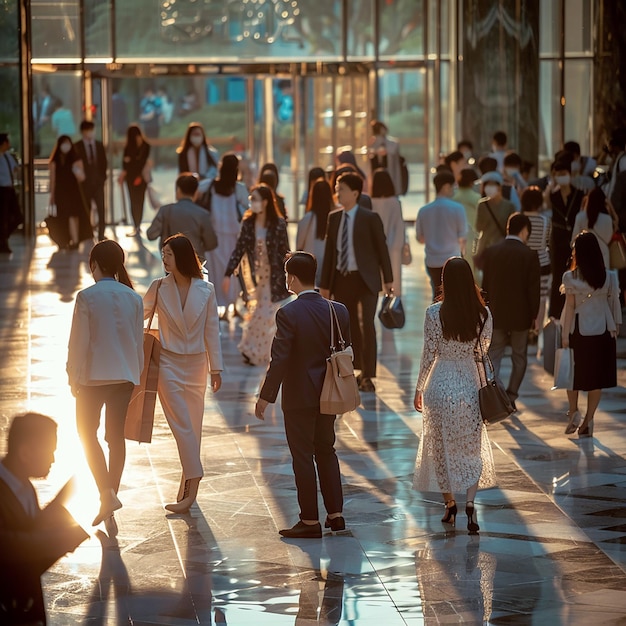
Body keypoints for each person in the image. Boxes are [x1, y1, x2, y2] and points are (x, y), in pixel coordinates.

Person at [255, 252, 349, 538]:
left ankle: (309, 520)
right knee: (326, 450)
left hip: (299, 397)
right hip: (329, 393)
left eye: (286, 275)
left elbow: (280, 359)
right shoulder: (338, 310)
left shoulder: (288, 313)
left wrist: (265, 396)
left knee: (302, 456)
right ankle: (336, 514)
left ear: (292, 278)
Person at [413, 257, 496, 534]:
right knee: (471, 447)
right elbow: (483, 352)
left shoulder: (434, 313)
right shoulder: (483, 315)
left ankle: (450, 503)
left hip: (439, 383)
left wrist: (419, 387)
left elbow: (428, 353)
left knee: (439, 446)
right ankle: (470, 503)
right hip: (469, 385)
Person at [66, 240, 144, 532]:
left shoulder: (86, 297)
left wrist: (73, 375)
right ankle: (110, 497)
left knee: (86, 434)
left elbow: (79, 342)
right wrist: (135, 377)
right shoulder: (133, 298)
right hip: (124, 376)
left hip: (93, 378)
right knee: (115, 438)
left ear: (95, 264)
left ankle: (106, 494)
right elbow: (137, 343)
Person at [143, 234, 223, 512]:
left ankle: (188, 493)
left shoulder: (206, 289)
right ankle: (196, 471)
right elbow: (139, 313)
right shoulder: (158, 287)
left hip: (197, 364)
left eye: (169, 254)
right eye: (163, 254)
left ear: (182, 257)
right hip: (167, 363)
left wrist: (217, 368)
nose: (164, 259)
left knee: (194, 427)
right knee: (182, 425)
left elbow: (212, 329)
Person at [0, 413, 89, 625]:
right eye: (49, 451)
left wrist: (57, 507)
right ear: (25, 452)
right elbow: (10, 549)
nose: (53, 460)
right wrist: (60, 539)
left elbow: (29, 532)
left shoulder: (24, 486)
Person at [320, 172, 393, 393]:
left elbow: (382, 250)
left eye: (341, 189)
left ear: (355, 192)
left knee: (367, 325)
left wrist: (388, 279)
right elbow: (330, 254)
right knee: (346, 327)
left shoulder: (370, 218)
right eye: (336, 189)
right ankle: (351, 369)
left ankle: (368, 375)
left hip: (366, 279)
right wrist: (324, 285)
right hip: (342, 279)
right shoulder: (334, 218)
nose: (337, 193)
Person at [561, 232, 622, 436]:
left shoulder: (570, 277)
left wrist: (564, 336)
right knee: (597, 379)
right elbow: (614, 304)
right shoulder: (610, 277)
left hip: (579, 330)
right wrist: (617, 326)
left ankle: (573, 411)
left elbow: (570, 307)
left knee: (573, 376)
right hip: (604, 330)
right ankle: (588, 421)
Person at [223, 184, 290, 365]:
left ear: (266, 202)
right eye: (251, 199)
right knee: (257, 311)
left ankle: (257, 350)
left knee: (265, 313)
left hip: (273, 277)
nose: (252, 203)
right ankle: (252, 349)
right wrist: (228, 272)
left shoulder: (278, 224)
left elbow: (285, 251)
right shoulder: (249, 223)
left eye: (256, 199)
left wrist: (291, 273)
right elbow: (240, 248)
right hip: (254, 278)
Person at [481, 213, 541, 411]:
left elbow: (485, 286)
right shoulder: (530, 255)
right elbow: (533, 290)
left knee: (494, 354)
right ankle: (511, 395)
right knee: (519, 356)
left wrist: (485, 311)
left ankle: (496, 395)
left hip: (496, 313)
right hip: (520, 316)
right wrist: (534, 316)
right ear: (524, 230)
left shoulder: (491, 252)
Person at [204, 154, 249, 315]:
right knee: (234, 271)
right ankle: (234, 306)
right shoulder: (239, 188)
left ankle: (220, 307)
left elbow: (197, 192)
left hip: (214, 237)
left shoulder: (210, 185)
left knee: (216, 273)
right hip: (233, 236)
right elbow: (248, 208)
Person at [415, 170, 468, 301]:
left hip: (432, 260)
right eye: (452, 186)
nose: (454, 189)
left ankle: (436, 320)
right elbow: (463, 236)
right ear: (446, 186)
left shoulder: (424, 210)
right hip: (452, 259)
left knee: (437, 294)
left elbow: (420, 238)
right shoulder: (457, 208)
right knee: (453, 295)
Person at [147, 173, 217, 262]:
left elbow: (151, 234)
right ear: (195, 192)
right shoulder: (202, 214)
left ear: (178, 190)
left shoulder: (165, 211)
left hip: (171, 262)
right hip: (194, 262)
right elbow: (212, 243)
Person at [546, 158, 585, 318]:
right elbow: (544, 202)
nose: (561, 177)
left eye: (563, 174)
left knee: (577, 272)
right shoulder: (553, 196)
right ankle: (556, 314)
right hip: (558, 238)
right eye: (557, 174)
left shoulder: (579, 194)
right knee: (557, 276)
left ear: (570, 174)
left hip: (576, 238)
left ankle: (576, 309)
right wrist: (551, 184)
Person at [520, 186, 552, 353]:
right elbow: (546, 242)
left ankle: (524, 330)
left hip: (524, 262)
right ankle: (536, 330)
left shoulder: (519, 219)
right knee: (541, 298)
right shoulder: (546, 220)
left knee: (523, 295)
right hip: (543, 262)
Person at [49, 134, 90, 249]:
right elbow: (53, 180)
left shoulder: (75, 159)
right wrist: (52, 195)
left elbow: (82, 177)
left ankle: (75, 240)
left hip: (73, 192)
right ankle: (65, 240)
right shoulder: (55, 161)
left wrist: (76, 170)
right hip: (60, 193)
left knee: (73, 216)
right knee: (63, 216)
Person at [371, 169, 407, 296]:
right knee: (393, 281)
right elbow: (399, 227)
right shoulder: (395, 202)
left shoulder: (371, 202)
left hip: (374, 247)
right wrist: (399, 246)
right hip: (393, 247)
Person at [474, 171, 515, 271]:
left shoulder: (509, 206)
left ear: (499, 187)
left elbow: (512, 230)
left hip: (503, 248)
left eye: (492, 184)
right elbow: (478, 227)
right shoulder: (482, 205)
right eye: (487, 185)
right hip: (485, 248)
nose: (489, 188)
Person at [74, 120, 108, 241]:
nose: (90, 133)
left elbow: (104, 163)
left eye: (91, 130)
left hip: (98, 183)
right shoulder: (77, 146)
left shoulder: (99, 145)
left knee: (101, 209)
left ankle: (101, 234)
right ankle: (88, 233)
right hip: (85, 184)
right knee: (85, 209)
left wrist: (102, 178)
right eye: (88, 130)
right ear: (83, 132)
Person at [296, 177, 334, 285]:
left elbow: (299, 244)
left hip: (310, 265)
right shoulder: (335, 217)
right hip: (330, 266)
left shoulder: (308, 218)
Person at [571, 187, 618, 268]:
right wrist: (610, 206)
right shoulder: (607, 219)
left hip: (584, 256)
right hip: (603, 256)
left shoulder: (580, 217)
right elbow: (608, 239)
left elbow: (573, 241)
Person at [118, 124, 151, 237]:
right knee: (134, 201)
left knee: (139, 201)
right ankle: (136, 224)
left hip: (140, 177)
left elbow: (137, 162)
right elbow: (126, 163)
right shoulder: (129, 147)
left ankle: (137, 224)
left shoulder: (145, 146)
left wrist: (133, 167)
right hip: (131, 178)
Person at [452, 168, 481, 276]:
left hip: (453, 234)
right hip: (471, 235)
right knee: (470, 267)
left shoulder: (453, 195)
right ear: (471, 182)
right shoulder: (476, 197)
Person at [177, 122, 219, 189]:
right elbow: (181, 172)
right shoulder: (183, 153)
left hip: (207, 185)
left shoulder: (211, 152)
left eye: (198, 134)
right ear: (189, 136)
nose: (196, 137)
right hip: (188, 185)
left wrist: (205, 177)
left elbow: (215, 169)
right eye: (194, 134)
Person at [368, 120, 402, 195]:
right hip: (375, 174)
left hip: (389, 172)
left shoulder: (392, 143)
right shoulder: (371, 143)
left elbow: (391, 151)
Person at [0, 132, 20, 253]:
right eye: (7, 142)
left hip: (9, 189)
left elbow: (15, 168)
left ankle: (3, 237)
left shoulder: (7, 156)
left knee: (17, 216)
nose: (9, 144)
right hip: (1, 190)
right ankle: (3, 241)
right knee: (3, 217)